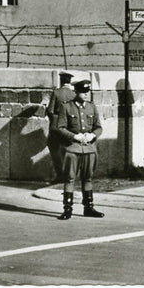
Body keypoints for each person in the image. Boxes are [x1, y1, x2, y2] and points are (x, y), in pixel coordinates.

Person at [56, 80, 104, 220]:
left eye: (87, 92)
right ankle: (67, 209)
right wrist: (74, 136)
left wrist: (93, 135)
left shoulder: (91, 107)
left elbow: (98, 127)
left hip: (89, 148)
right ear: (76, 92)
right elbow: (60, 127)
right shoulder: (67, 107)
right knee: (70, 179)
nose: (85, 94)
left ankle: (88, 208)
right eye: (83, 92)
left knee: (88, 178)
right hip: (72, 148)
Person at [46, 71, 76, 184]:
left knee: (53, 147)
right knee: (68, 149)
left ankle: (60, 175)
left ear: (61, 80)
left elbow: (50, 110)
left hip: (56, 126)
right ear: (70, 81)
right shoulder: (73, 94)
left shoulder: (56, 93)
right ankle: (69, 175)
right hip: (68, 127)